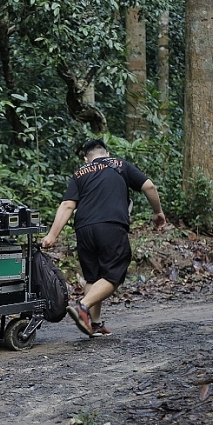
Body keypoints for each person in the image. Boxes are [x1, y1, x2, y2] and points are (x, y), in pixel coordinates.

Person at [41, 139, 166, 337]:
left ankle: (95, 323)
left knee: (93, 276)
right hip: (111, 225)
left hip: (84, 229)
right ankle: (82, 306)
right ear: (107, 153)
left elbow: (67, 205)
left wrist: (52, 236)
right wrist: (158, 212)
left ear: (86, 158)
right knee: (113, 275)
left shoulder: (80, 173)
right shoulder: (120, 165)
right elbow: (149, 187)